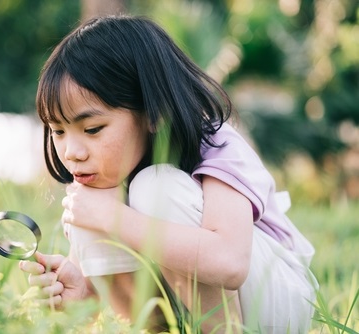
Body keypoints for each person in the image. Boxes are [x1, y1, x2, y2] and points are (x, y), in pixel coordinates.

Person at [19, 15, 318, 333]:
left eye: (92, 129)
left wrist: (114, 218)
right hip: (196, 302)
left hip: (276, 298)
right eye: (58, 131)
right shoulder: (99, 181)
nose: (71, 152)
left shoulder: (215, 143)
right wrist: (82, 292)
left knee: (154, 186)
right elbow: (107, 291)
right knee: (91, 201)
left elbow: (230, 263)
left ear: (152, 113)